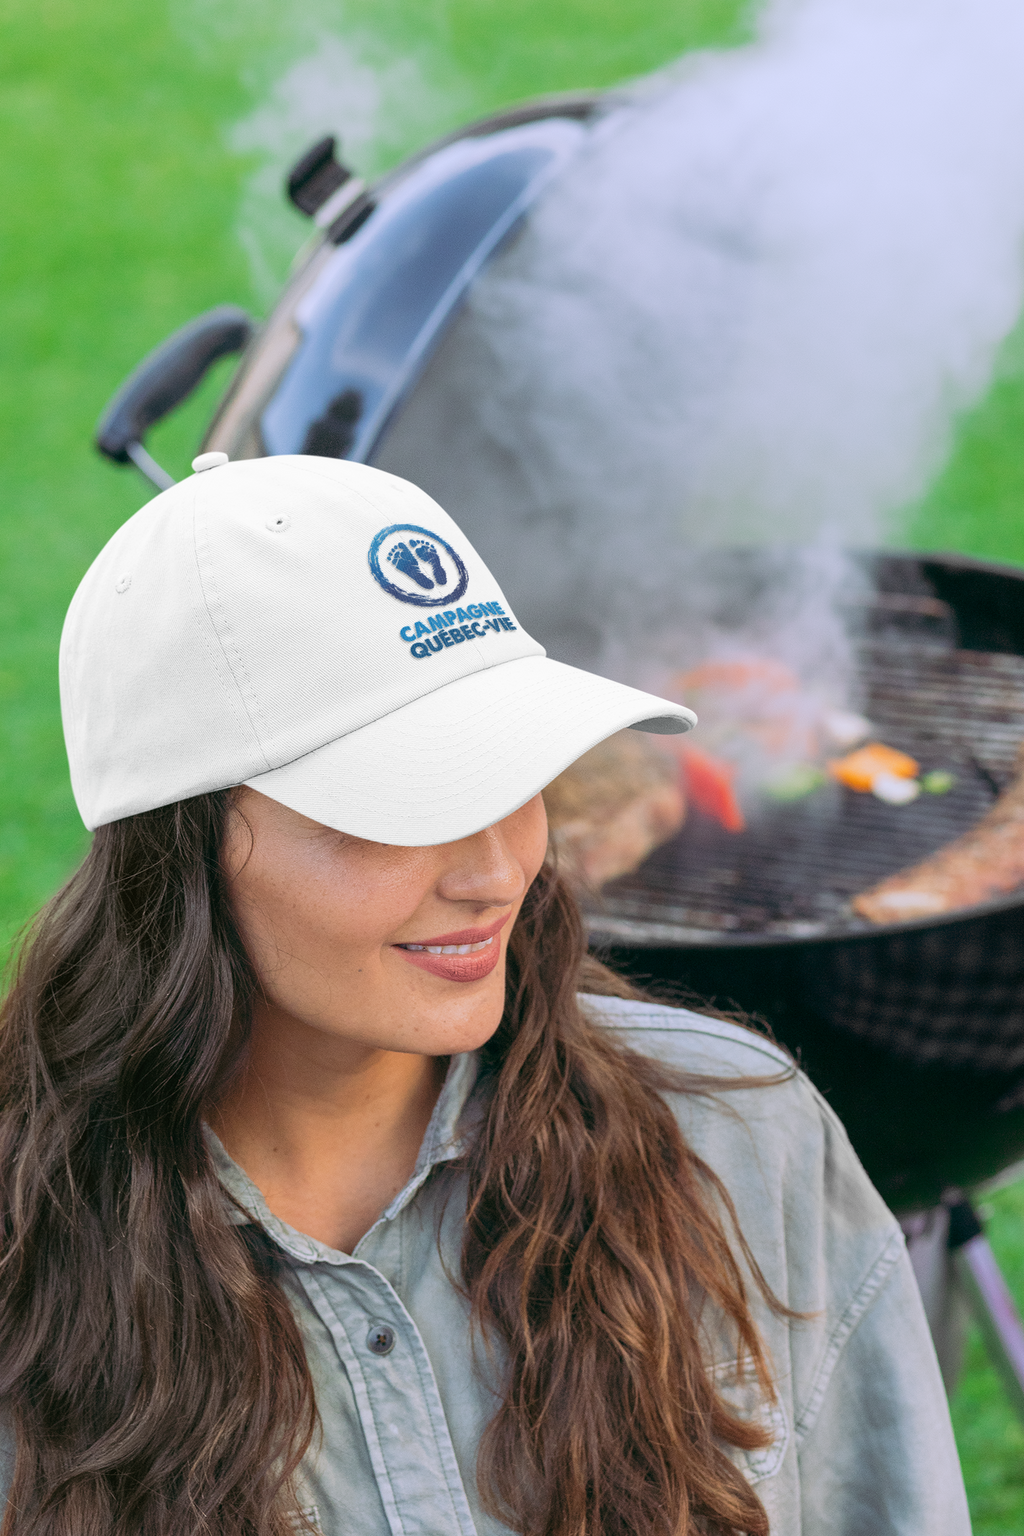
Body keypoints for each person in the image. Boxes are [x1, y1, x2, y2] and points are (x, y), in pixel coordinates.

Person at [0, 454, 969, 1536]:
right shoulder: (28, 1259)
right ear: (175, 850)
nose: (496, 872)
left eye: (516, 775)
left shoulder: (738, 1135)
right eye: (401, 807)